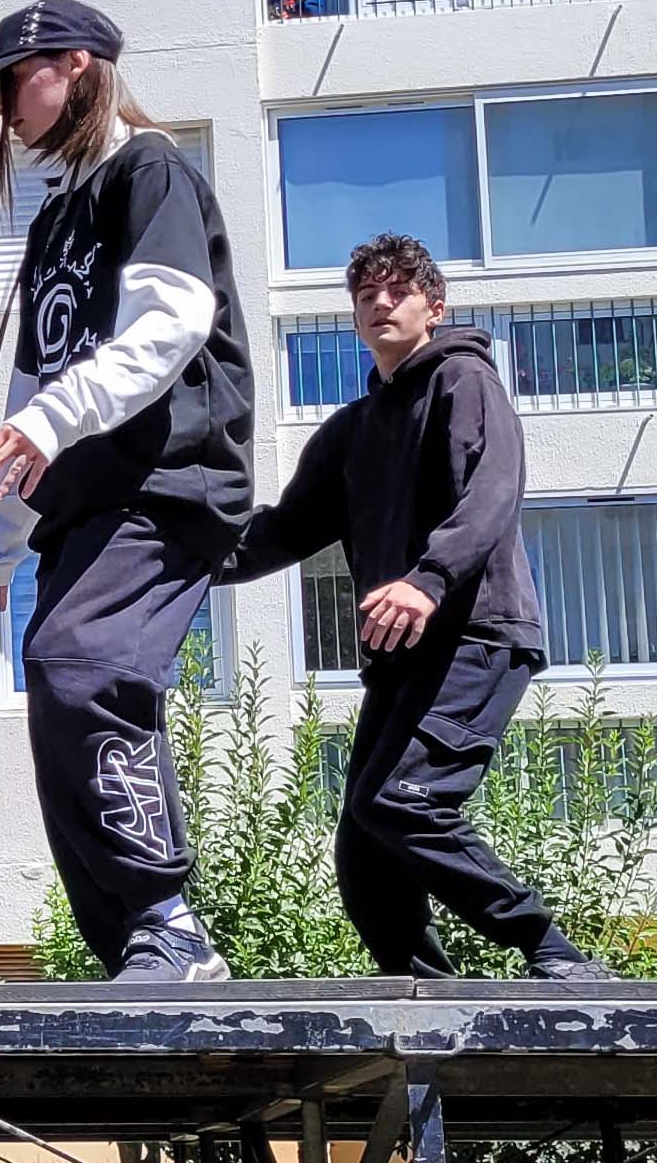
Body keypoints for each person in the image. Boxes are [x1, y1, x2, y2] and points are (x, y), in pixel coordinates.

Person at [0, 0, 255, 983]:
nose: (0, 109)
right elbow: (28, 392)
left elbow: (170, 325)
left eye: (8, 83)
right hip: (87, 501)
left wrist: (48, 420)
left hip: (168, 480)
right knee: (54, 678)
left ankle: (166, 924)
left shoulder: (146, 171)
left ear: (74, 66)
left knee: (83, 665)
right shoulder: (52, 221)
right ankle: (132, 938)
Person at [221, 234, 611, 981]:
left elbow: (491, 491)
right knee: (363, 845)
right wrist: (174, 566)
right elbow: (282, 529)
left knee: (404, 802)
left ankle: (550, 949)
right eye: (365, 294)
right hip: (404, 659)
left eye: (396, 290)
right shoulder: (351, 432)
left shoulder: (465, 381)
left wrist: (427, 579)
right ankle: (432, 998)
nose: (379, 302)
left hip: (479, 632)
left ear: (435, 305)